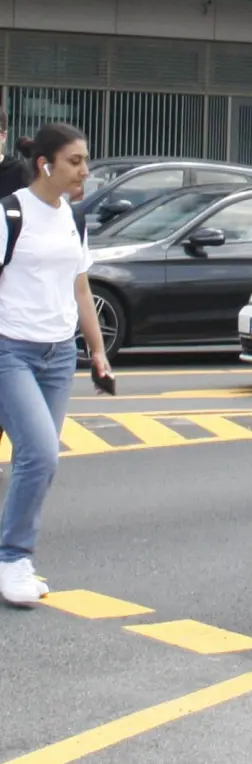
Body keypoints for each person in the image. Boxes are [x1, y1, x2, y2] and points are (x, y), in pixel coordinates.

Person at [0, 122, 113, 607]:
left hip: (58, 355)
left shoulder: (75, 218)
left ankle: (13, 555)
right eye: (75, 161)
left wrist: (97, 350)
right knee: (40, 455)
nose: (84, 170)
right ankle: (13, 558)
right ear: (45, 164)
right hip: (12, 351)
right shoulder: (10, 215)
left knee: (41, 463)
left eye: (85, 160)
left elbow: (80, 286)